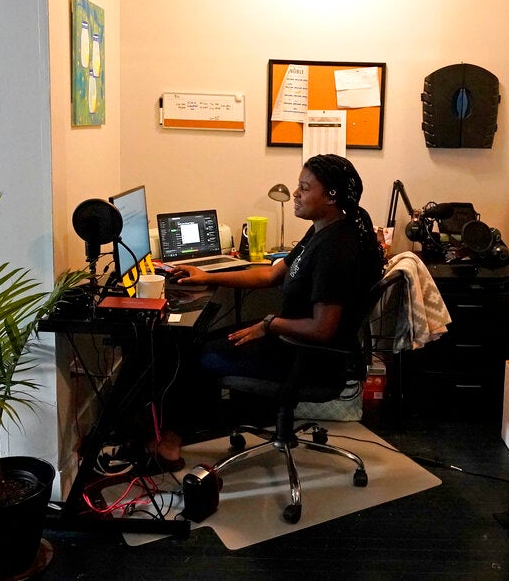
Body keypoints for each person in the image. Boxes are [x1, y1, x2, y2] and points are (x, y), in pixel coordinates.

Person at [150, 154, 386, 468]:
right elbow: (271, 274)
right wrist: (207, 275)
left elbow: (323, 329)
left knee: (197, 355)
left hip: (308, 357)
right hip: (291, 342)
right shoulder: (322, 230)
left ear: (331, 196)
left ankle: (168, 446)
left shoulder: (336, 251)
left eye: (305, 187)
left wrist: (269, 324)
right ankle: (178, 432)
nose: (296, 194)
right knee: (200, 342)